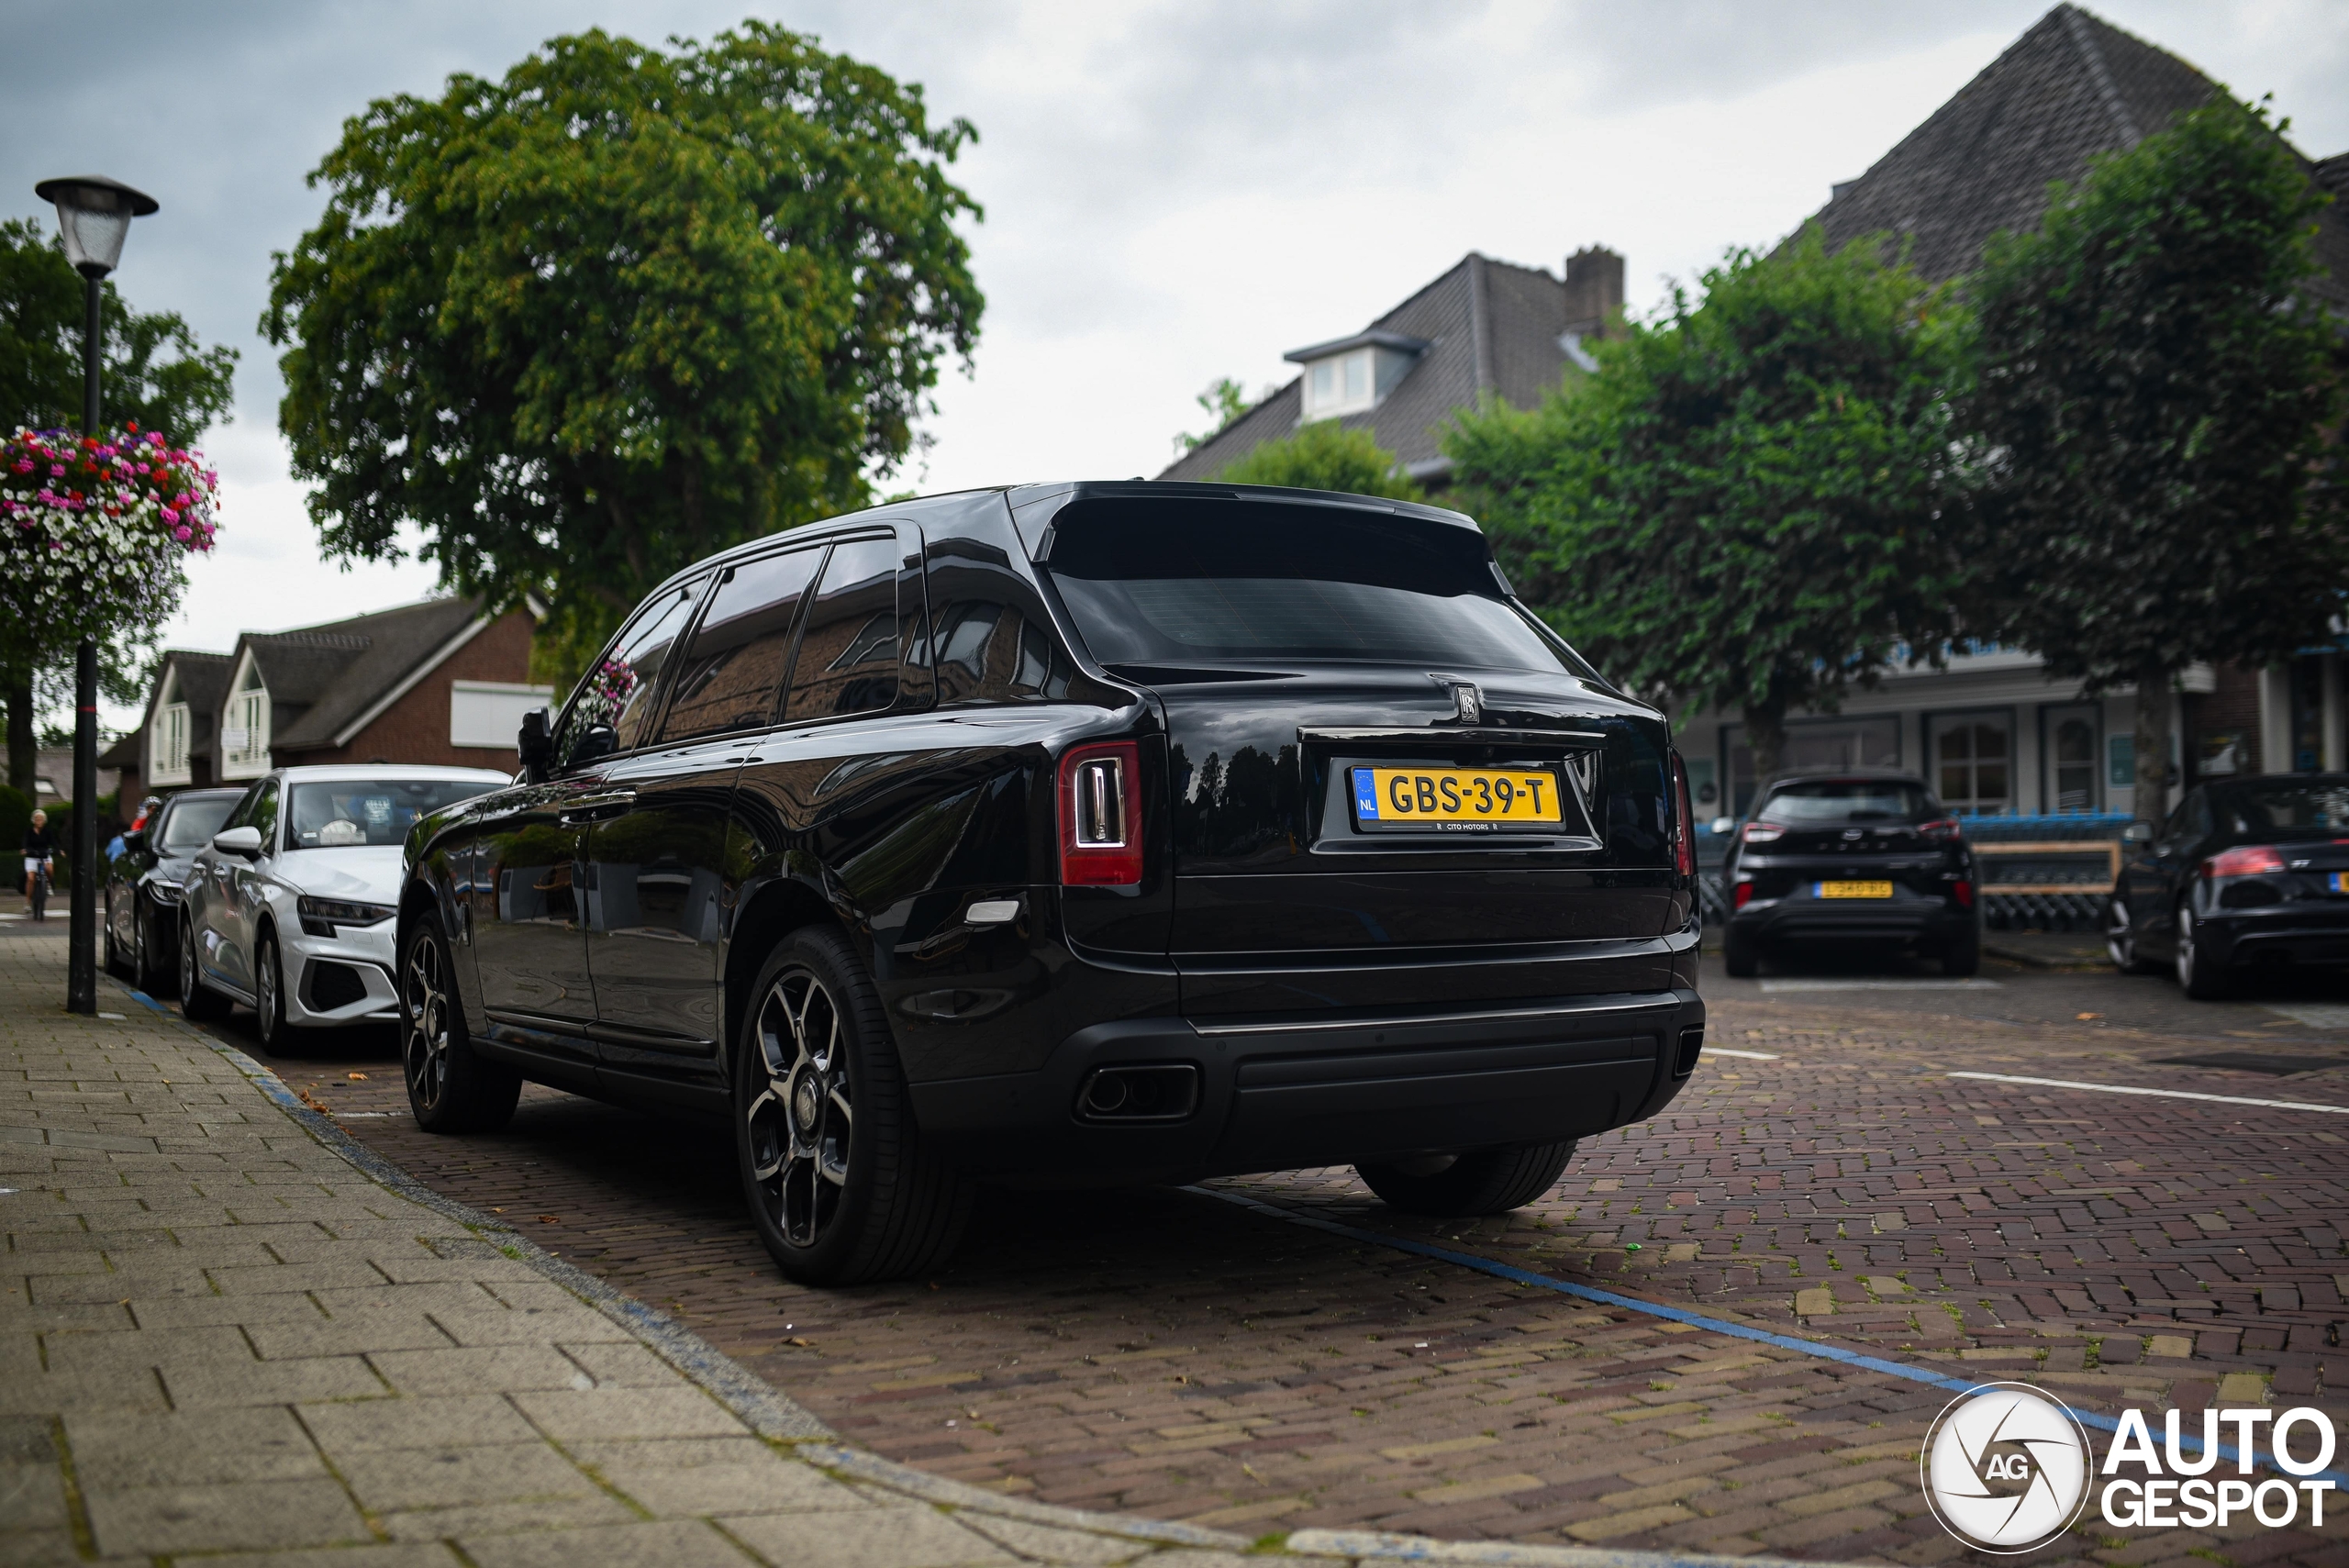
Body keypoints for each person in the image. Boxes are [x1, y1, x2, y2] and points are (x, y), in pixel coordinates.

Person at [22, 807, 55, 921]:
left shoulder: (47, 832)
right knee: (31, 879)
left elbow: (54, 843)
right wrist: (24, 849)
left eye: (41, 819)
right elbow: (25, 843)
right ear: (33, 820)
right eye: (37, 819)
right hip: (32, 857)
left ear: (44, 820)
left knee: (49, 869)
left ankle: (48, 885)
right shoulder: (29, 832)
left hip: (44, 855)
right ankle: (28, 901)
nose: (39, 821)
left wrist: (59, 850)